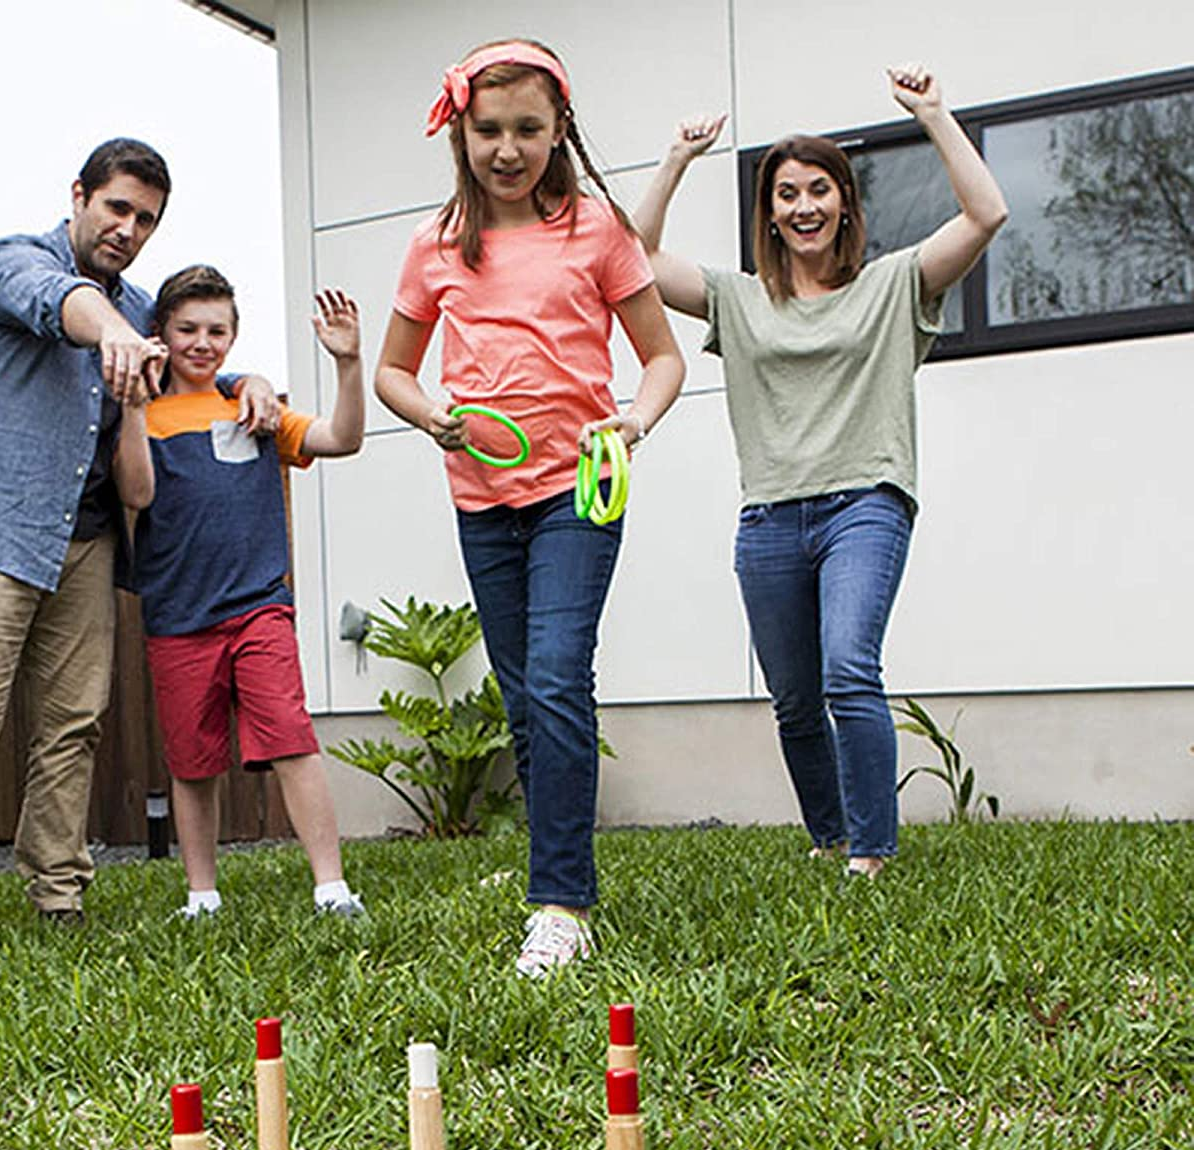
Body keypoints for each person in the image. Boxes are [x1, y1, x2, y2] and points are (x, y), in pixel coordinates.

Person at [0, 139, 277, 943]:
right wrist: (113, 331)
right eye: (117, 208)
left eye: (146, 219)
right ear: (79, 196)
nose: (128, 229)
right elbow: (60, 301)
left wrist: (251, 383)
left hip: (87, 540)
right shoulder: (7, 264)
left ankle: (59, 892)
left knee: (73, 725)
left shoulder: (141, 308)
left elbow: (195, 364)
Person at [633, 67, 1008, 877]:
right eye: (786, 193)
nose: (803, 206)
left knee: (848, 669)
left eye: (818, 189)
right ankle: (830, 835)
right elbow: (634, 258)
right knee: (797, 702)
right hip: (769, 517)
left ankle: (869, 852)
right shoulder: (738, 299)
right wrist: (676, 160)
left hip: (865, 503)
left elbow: (986, 213)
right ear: (769, 213)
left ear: (844, 202)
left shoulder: (893, 285)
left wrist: (933, 115)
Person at [375, 39, 685, 976]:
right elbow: (393, 372)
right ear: (462, 135)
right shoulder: (436, 244)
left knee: (555, 679)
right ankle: (553, 864)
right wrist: (430, 414)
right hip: (483, 500)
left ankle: (560, 904)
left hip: (578, 490)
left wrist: (633, 420)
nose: (507, 149)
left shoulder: (596, 230)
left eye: (527, 129)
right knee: (525, 702)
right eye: (488, 130)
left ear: (559, 132)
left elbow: (662, 356)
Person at [113, 265, 366, 920]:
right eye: (187, 329)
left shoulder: (254, 408)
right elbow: (136, 493)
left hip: (259, 609)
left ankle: (332, 888)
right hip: (177, 619)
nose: (203, 343)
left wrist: (347, 363)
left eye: (217, 331)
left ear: (233, 336)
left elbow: (342, 439)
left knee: (292, 739)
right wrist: (133, 409)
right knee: (193, 764)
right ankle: (202, 896)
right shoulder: (142, 416)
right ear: (160, 334)